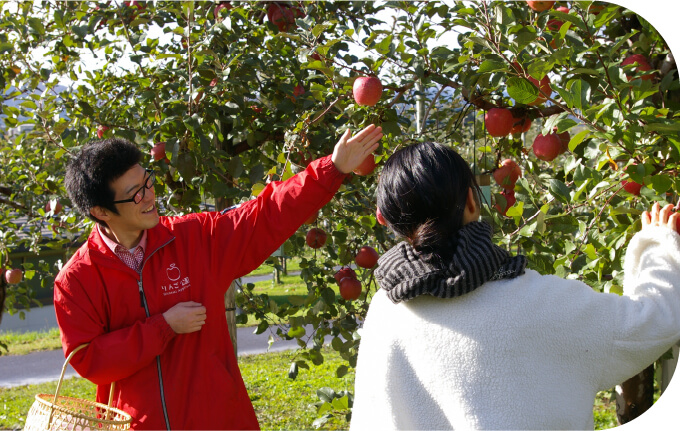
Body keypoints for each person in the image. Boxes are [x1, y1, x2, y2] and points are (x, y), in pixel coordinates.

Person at [54, 124, 383, 430]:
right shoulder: (77, 280)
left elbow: (264, 215)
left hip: (219, 418)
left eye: (148, 181)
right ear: (100, 211)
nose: (151, 195)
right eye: (136, 193)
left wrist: (331, 168)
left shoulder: (194, 239)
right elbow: (88, 359)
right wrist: (163, 326)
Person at [350, 141, 680, 430]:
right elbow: (653, 321)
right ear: (471, 200)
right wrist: (658, 245)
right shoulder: (544, 303)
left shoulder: (385, 313)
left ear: (385, 218)